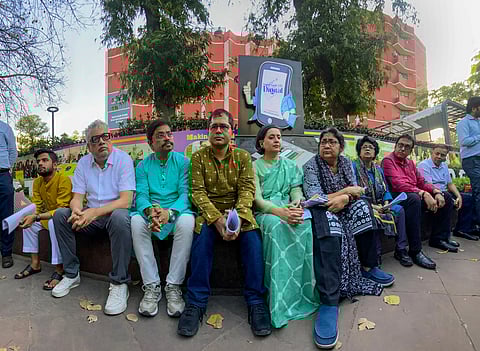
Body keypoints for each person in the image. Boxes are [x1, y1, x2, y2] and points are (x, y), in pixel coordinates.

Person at [177, 109, 271, 338]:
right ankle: (196, 303)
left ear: (232, 132)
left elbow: (247, 190)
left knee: (253, 242)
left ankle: (256, 301)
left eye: (223, 126)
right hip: (209, 214)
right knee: (201, 241)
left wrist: (234, 219)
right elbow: (197, 193)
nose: (218, 130)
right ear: (208, 132)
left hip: (239, 213)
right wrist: (217, 219)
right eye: (214, 127)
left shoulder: (242, 157)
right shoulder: (198, 157)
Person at [303, 128, 393, 350]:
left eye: (332, 142)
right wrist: (343, 194)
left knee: (364, 209)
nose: (326, 145)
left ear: (340, 147)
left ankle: (368, 266)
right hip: (322, 209)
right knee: (330, 228)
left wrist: (346, 197)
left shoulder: (345, 164)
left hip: (345, 206)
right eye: (323, 142)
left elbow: (357, 193)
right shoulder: (311, 166)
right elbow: (313, 197)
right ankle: (329, 300)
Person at [52, 120, 135, 316]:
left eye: (105, 136)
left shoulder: (123, 160)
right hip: (90, 216)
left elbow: (126, 201)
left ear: (111, 138)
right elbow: (77, 198)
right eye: (95, 139)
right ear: (88, 146)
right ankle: (72, 274)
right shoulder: (83, 163)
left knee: (121, 217)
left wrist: (94, 213)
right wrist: (76, 211)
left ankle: (119, 282)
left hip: (113, 215)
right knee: (60, 215)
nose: (102, 142)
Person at [253, 125, 318, 328]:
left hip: (287, 208)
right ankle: (278, 301)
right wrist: (279, 212)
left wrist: (296, 203)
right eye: (271, 137)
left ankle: (302, 294)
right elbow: (257, 200)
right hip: (267, 213)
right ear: (262, 143)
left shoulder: (290, 166)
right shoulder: (254, 167)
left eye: (279, 137)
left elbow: (296, 189)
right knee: (277, 227)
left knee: (305, 224)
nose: (276, 140)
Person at [131, 119, 194, 318]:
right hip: (152, 214)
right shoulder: (142, 166)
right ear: (150, 143)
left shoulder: (184, 162)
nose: (167, 138)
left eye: (169, 133)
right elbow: (141, 195)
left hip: (176, 213)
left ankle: (173, 286)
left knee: (187, 221)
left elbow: (186, 195)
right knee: (135, 221)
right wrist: (150, 212)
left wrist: (170, 213)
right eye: (160, 135)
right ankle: (151, 286)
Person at [382, 134, 443, 268]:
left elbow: (421, 181)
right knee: (414, 199)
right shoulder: (388, 161)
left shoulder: (410, 163)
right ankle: (415, 250)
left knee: (445, 198)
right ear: (395, 146)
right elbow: (398, 184)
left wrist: (435, 191)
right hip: (396, 197)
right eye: (400, 145)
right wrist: (422, 193)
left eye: (407, 147)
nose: (402, 149)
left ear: (410, 151)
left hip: (412, 194)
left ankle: (439, 238)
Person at [14, 149, 72, 289]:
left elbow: (61, 209)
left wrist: (37, 216)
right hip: (45, 216)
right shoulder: (37, 182)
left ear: (55, 164)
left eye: (45, 160)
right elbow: (38, 207)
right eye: (38, 161)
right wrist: (32, 217)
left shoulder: (63, 180)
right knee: (28, 222)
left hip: (64, 218)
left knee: (53, 222)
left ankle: (59, 268)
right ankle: (35, 264)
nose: (40, 163)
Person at [352, 136, 409, 265]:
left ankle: (401, 249)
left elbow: (386, 190)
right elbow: (353, 190)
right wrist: (374, 207)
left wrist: (387, 203)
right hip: (363, 205)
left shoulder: (378, 170)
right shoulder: (353, 167)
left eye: (371, 147)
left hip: (381, 204)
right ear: (359, 151)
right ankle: (376, 254)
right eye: (364, 147)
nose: (367, 149)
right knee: (374, 216)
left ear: (375, 153)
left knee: (399, 210)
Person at [418, 145, 477, 242]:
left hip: (444, 192)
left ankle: (462, 229)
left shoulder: (444, 165)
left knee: (468, 198)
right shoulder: (424, 165)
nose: (439, 157)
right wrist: (442, 194)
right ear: (432, 152)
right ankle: (442, 237)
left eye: (442, 155)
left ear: (446, 156)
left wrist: (458, 196)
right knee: (448, 197)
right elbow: (427, 185)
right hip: (431, 193)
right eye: (437, 153)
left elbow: (450, 184)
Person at [457, 96, 480, 237]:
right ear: (474, 107)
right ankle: (476, 223)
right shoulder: (463, 123)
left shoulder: (478, 122)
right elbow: (464, 141)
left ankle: (472, 224)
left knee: (477, 192)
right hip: (471, 160)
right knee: (479, 190)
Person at [0, 119, 17, 268]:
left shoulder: (5, 128)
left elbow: (13, 152)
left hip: (2, 175)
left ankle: (6, 253)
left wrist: (5, 168)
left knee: (6, 215)